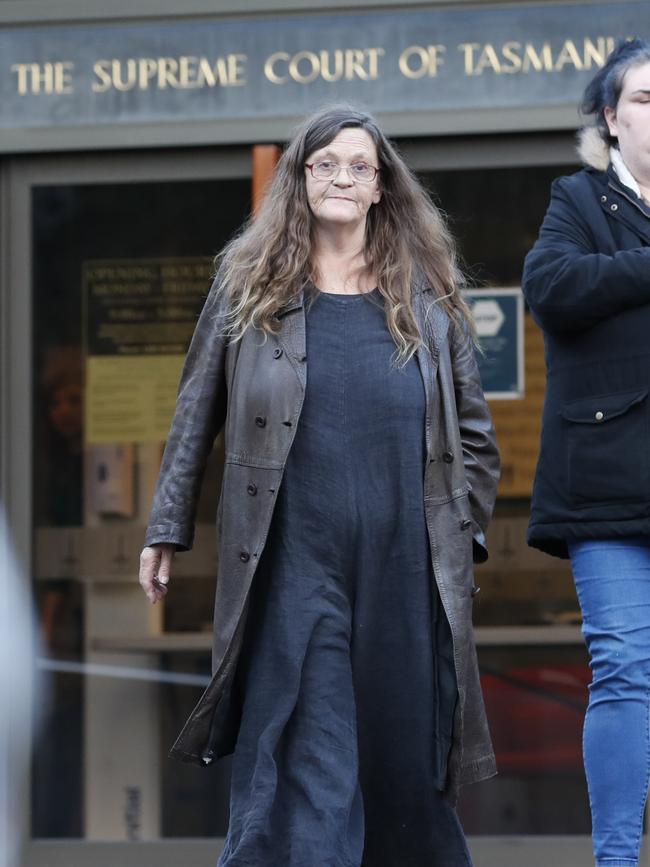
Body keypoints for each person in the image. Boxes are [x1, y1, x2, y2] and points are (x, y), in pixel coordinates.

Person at [139, 105, 499, 867]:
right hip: (299, 564)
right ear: (301, 181)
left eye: (359, 166)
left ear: (380, 188)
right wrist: (166, 525)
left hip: (404, 567)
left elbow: (475, 438)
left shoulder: (428, 296)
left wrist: (458, 541)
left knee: (403, 765)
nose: (342, 177)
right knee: (314, 756)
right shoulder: (250, 286)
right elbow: (194, 409)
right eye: (325, 163)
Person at [522, 39, 650, 867]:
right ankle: (615, 859)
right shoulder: (578, 199)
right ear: (610, 118)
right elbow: (553, 288)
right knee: (627, 668)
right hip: (606, 486)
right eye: (646, 100)